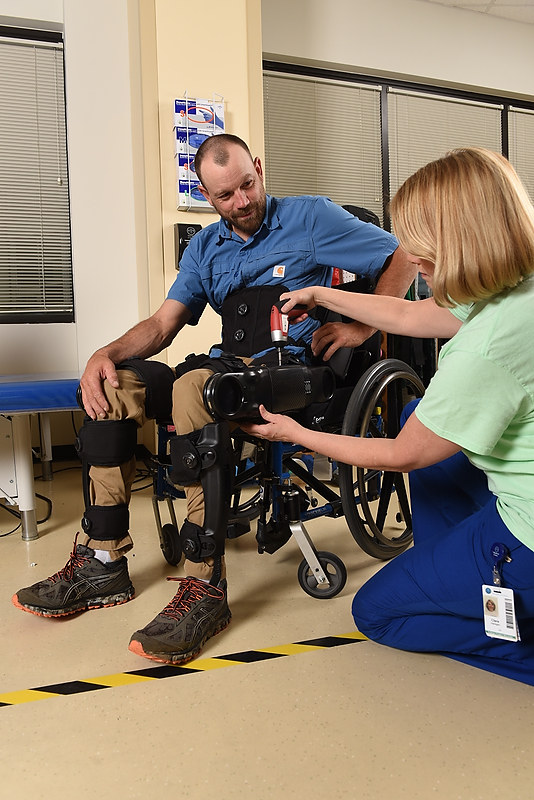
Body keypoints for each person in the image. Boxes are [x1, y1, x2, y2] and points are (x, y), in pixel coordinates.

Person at [12, 133, 415, 666]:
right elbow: (162, 325)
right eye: (226, 195)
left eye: (248, 184)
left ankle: (205, 586)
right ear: (206, 195)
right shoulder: (205, 248)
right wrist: (102, 355)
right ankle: (102, 560)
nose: (242, 201)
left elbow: (404, 256)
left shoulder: (310, 218)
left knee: (191, 388)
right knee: (117, 387)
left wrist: (362, 324)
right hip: (225, 369)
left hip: (293, 373)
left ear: (259, 168)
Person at [244, 147, 534, 685]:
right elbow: (410, 312)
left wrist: (294, 433)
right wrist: (322, 293)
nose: (413, 263)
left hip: (529, 536)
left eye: (422, 249)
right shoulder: (516, 289)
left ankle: (518, 638)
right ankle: (455, 569)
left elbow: (403, 456)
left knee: (379, 612)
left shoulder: (488, 347)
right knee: (422, 411)